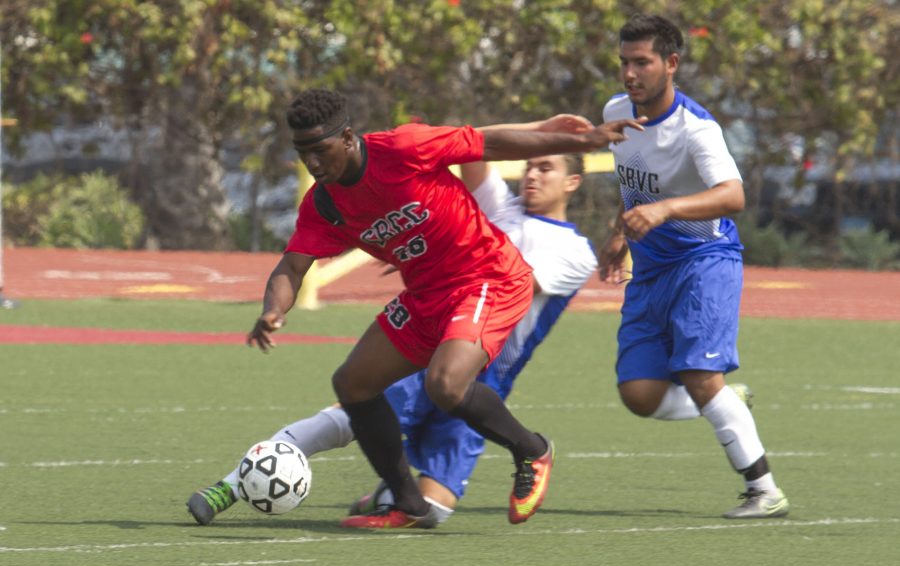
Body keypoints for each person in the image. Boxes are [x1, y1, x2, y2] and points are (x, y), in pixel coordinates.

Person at [236, 89, 643, 529]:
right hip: (427, 296)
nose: (312, 164)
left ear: (348, 137)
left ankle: (532, 450)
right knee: (353, 384)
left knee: (445, 384)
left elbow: (489, 144)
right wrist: (273, 310)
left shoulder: (402, 148)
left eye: (320, 150)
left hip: (487, 276)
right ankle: (407, 503)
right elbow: (292, 265)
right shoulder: (324, 205)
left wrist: (584, 141)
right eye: (303, 153)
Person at [598, 14, 788, 519]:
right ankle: (727, 401)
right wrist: (622, 232)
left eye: (642, 62)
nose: (630, 74)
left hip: (705, 260)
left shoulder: (695, 128)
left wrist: (663, 210)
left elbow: (734, 196)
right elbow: (634, 184)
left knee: (699, 375)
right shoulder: (617, 112)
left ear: (671, 64)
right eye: (624, 63)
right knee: (639, 394)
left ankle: (763, 489)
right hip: (652, 270)